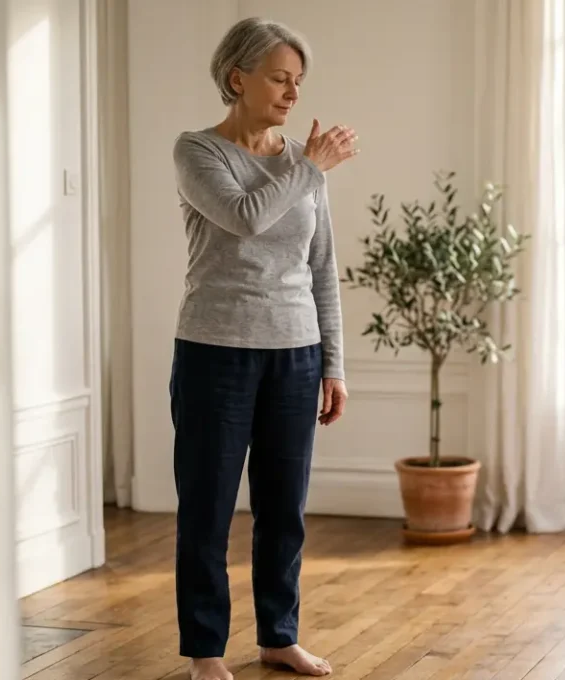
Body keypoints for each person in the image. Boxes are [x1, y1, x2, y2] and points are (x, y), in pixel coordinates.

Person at [169, 16, 357, 680]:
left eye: (298, 81)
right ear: (237, 76)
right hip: (215, 351)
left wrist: (332, 361)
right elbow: (246, 220)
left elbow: (321, 266)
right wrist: (309, 166)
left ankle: (279, 635)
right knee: (208, 509)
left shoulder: (304, 168)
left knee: (285, 509)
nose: (292, 94)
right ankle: (204, 651)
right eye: (280, 78)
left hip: (296, 352)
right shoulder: (198, 152)